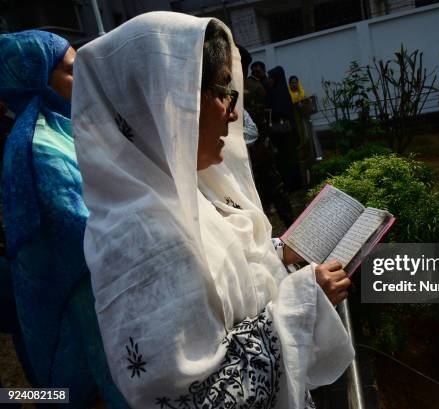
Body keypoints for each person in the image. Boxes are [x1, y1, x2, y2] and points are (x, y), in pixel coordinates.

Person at [72, 12, 353, 409]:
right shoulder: (142, 240)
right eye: (224, 92)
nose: (234, 113)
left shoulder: (185, 190)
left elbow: (223, 275)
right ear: (170, 101)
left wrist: (278, 255)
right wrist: (304, 302)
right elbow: (201, 400)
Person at [0, 31, 128, 408]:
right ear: (36, 78)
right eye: (72, 72)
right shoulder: (38, 149)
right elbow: (89, 236)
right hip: (81, 306)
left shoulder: (62, 127)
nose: (83, 81)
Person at [238, 45, 295, 228]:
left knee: (258, 190)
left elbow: (262, 119)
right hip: (259, 147)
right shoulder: (254, 87)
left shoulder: (243, 88)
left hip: (254, 149)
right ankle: (288, 222)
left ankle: (270, 226)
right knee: (272, 187)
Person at [267, 66, 303, 191]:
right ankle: (294, 185)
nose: (269, 80)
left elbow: (281, 112)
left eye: (271, 77)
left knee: (287, 160)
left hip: (283, 132)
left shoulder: (276, 93)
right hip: (286, 131)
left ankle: (292, 186)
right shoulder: (280, 91)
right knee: (288, 159)